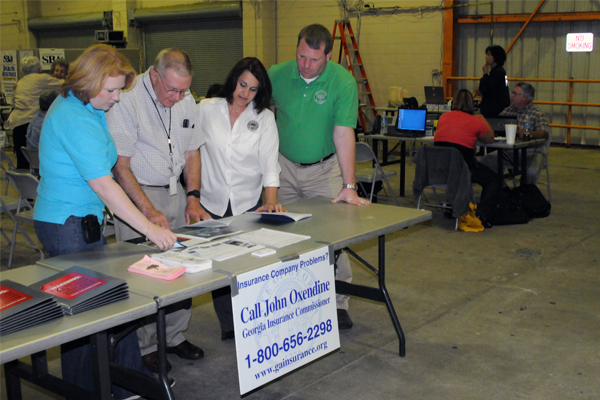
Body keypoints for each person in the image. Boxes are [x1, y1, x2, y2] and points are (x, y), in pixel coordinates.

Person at [33, 44, 176, 400]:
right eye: (110, 90)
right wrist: (150, 227)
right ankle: (86, 390)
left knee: (110, 304)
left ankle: (124, 382)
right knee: (84, 318)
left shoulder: (86, 106)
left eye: (119, 90)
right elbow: (104, 185)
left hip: (82, 223)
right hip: (66, 227)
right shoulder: (73, 117)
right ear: (89, 80)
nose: (116, 98)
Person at [106, 48, 205, 373]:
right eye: (171, 90)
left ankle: (174, 336)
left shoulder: (185, 97)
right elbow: (121, 167)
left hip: (175, 191)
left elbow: (192, 152)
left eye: (183, 90)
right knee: (146, 274)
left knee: (183, 268)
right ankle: (146, 345)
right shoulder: (129, 98)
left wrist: (193, 196)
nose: (177, 96)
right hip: (139, 196)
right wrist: (147, 212)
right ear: (154, 75)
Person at [268, 23, 371, 330]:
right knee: (283, 237)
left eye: (314, 59)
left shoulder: (342, 81)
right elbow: (264, 116)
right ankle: (290, 300)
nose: (306, 65)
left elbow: (343, 133)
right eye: (301, 56)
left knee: (333, 238)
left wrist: (349, 186)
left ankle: (338, 302)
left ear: (328, 54)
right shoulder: (277, 74)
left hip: (324, 169)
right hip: (283, 168)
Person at [197, 57, 284, 340]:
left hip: (247, 204)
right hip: (210, 204)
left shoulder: (264, 118)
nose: (244, 93)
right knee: (219, 268)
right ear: (233, 79)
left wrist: (270, 201)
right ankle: (230, 327)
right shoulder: (207, 109)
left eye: (253, 89)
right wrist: (191, 196)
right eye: (242, 84)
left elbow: (270, 164)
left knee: (248, 265)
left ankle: (253, 321)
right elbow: (190, 152)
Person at [434, 89, 501, 227]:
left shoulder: (443, 117)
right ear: (472, 104)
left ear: (453, 102)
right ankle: (483, 215)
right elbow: (490, 138)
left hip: (441, 169)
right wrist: (482, 118)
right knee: (494, 180)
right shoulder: (475, 121)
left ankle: (452, 206)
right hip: (463, 169)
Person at [480, 82, 550, 185]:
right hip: (509, 152)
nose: (511, 96)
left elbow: (544, 134)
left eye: (514, 93)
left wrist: (528, 134)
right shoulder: (508, 111)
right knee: (484, 163)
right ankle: (503, 190)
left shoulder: (536, 113)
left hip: (531, 152)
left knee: (531, 172)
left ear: (524, 97)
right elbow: (495, 126)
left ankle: (524, 195)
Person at [6, 56, 63, 169]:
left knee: (22, 162)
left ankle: (25, 183)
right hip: (33, 123)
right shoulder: (42, 78)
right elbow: (63, 84)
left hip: (17, 124)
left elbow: (13, 102)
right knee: (41, 158)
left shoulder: (20, 83)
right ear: (38, 68)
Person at [476, 45, 510, 118]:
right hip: (494, 108)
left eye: (489, 55)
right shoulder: (497, 72)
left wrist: (485, 74)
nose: (486, 57)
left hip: (494, 111)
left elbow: (487, 89)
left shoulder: (498, 72)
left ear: (495, 57)